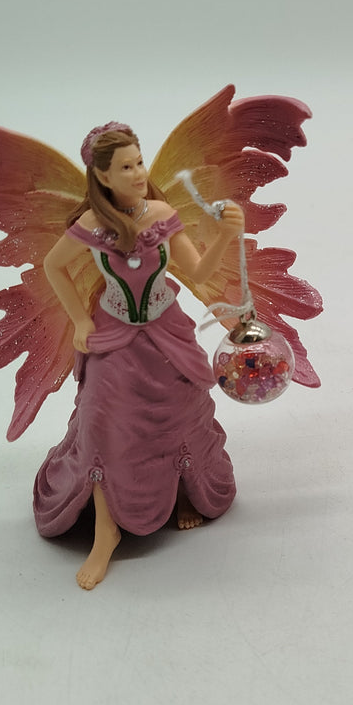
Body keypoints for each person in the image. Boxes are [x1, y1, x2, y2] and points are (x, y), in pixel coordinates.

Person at [35, 123, 244, 589]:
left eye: (139, 162)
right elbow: (53, 266)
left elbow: (197, 272)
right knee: (100, 417)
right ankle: (106, 529)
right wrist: (80, 321)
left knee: (179, 409)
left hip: (166, 330)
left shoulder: (161, 214)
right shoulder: (92, 225)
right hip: (113, 333)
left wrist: (226, 237)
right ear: (103, 177)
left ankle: (184, 490)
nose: (137, 173)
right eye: (125, 167)